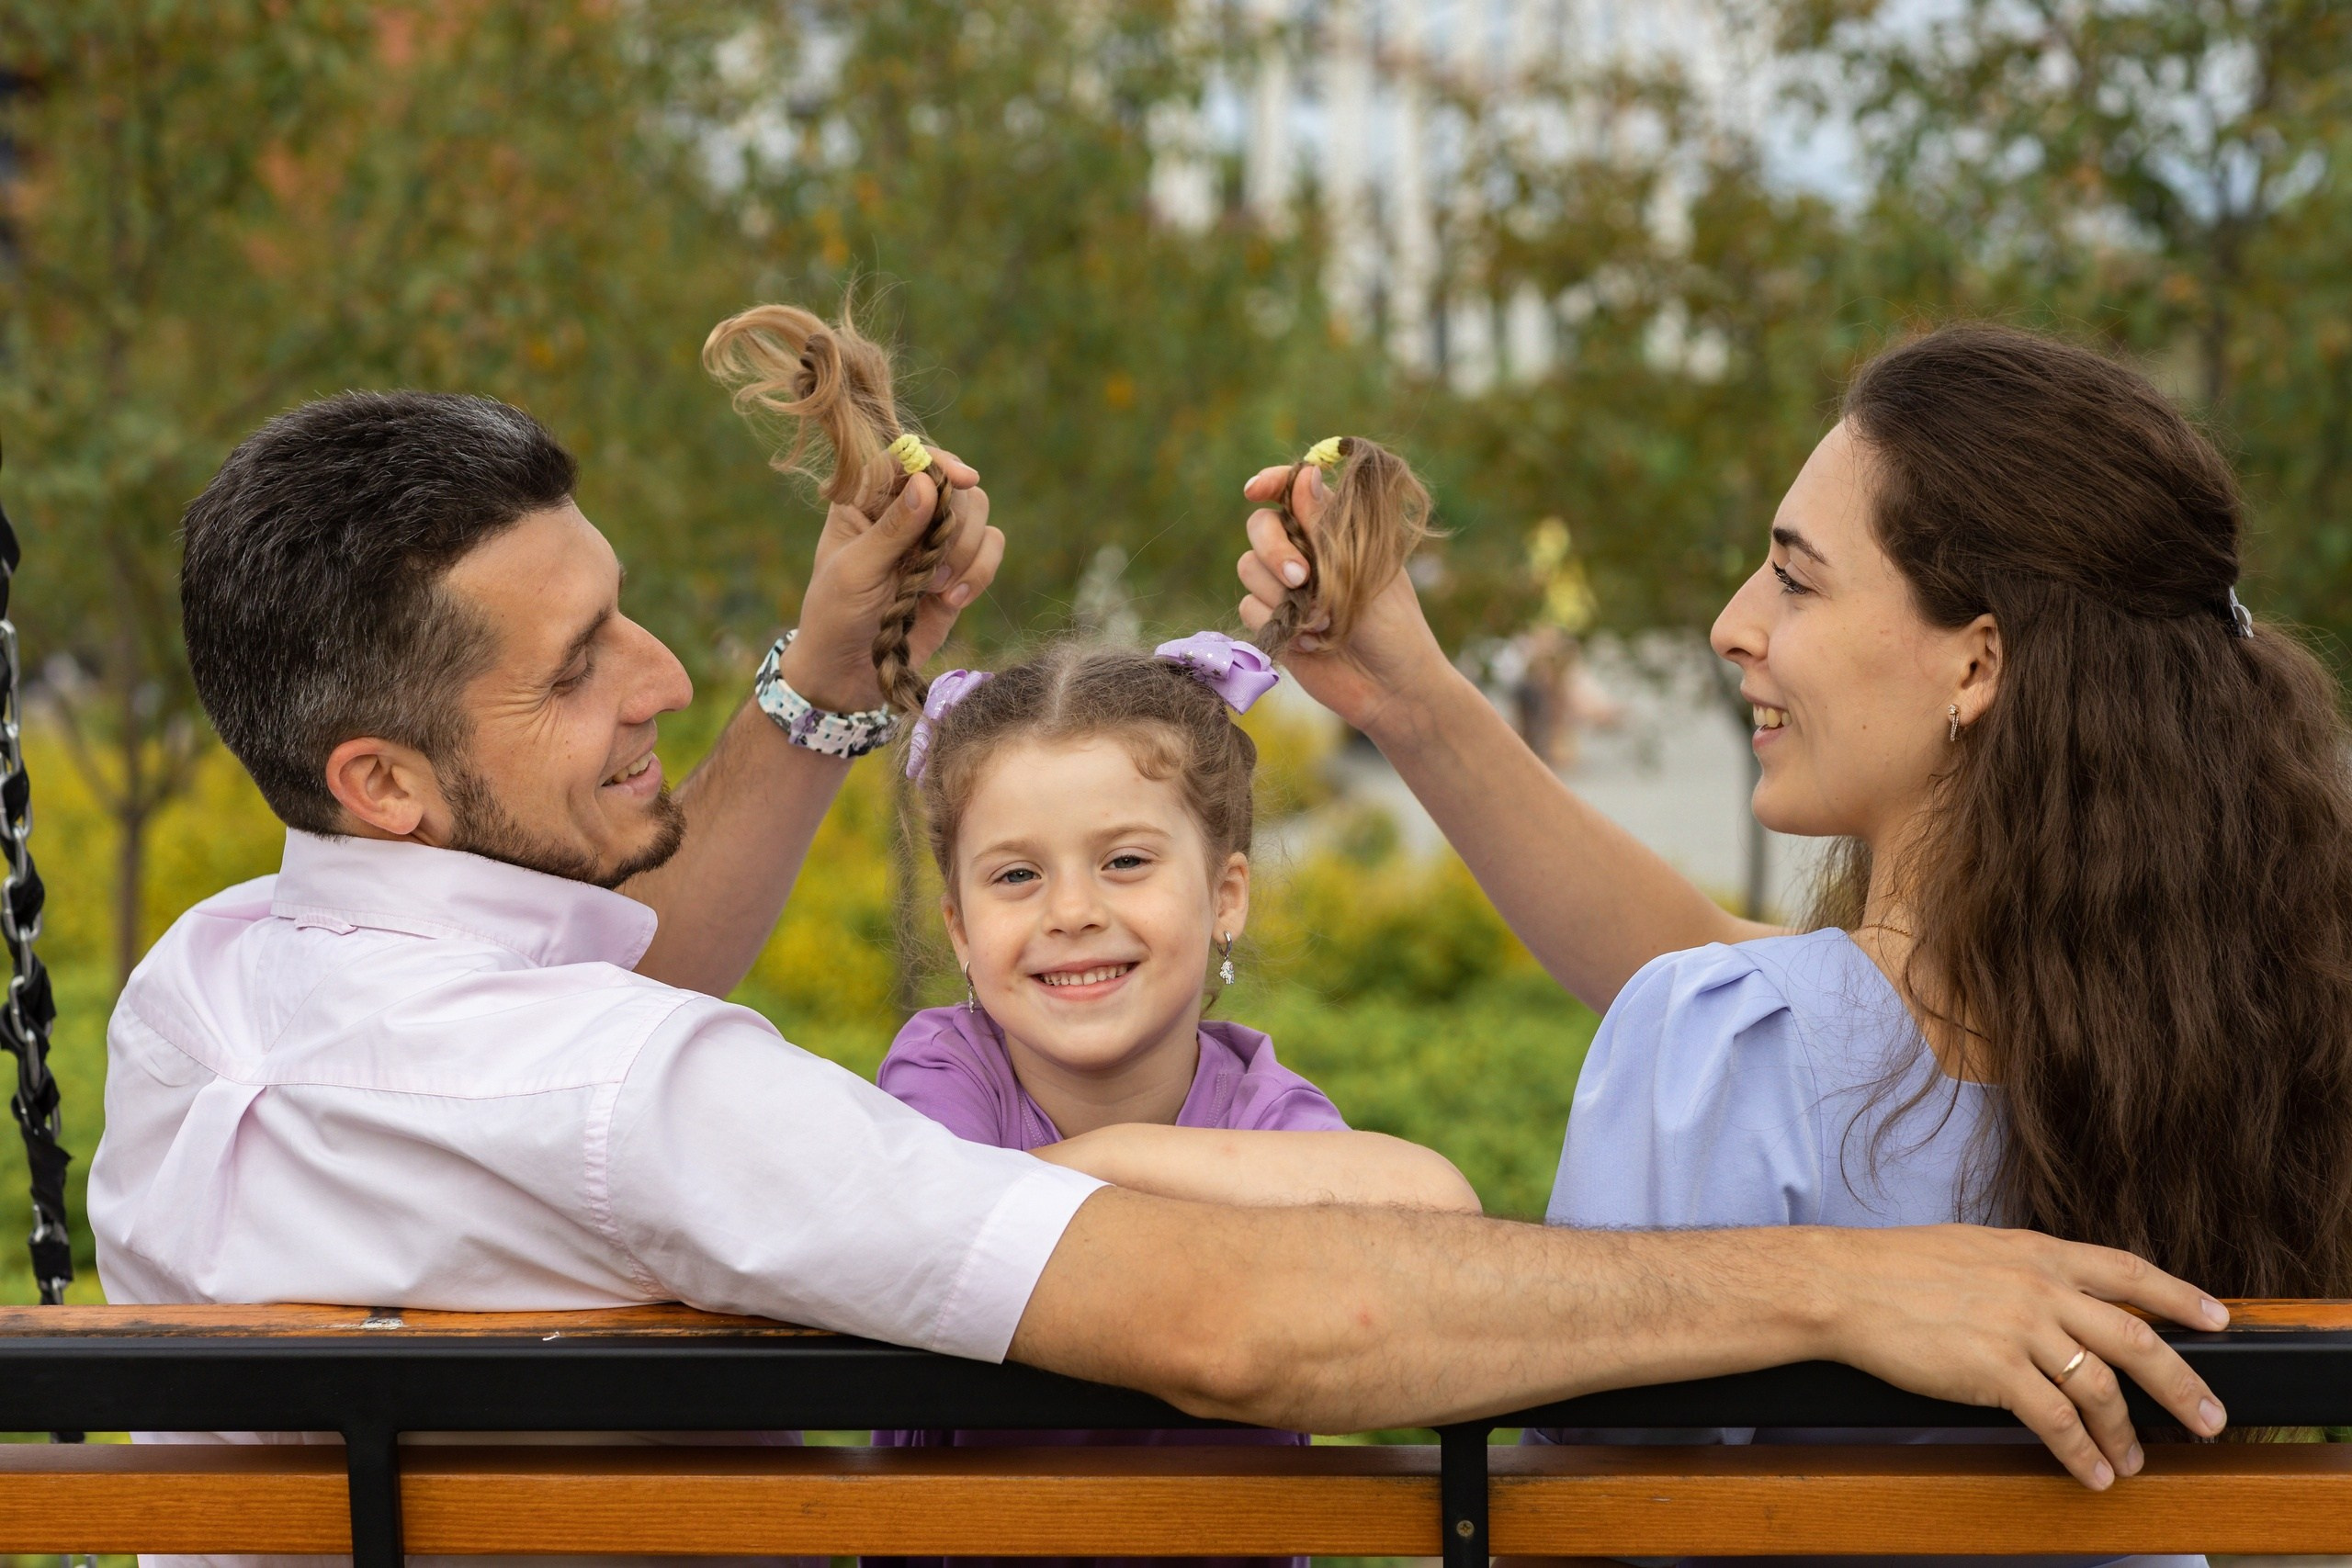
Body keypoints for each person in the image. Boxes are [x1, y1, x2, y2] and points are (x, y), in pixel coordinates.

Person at [92, 390, 2225, 1568]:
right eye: (586, 664)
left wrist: (827, 683)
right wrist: (1850, 1282)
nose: (664, 670)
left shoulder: (205, 996)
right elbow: (1239, 1317)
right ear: (385, 770)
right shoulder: (656, 1099)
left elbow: (574, 986)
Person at [1238, 324, 2328, 1514]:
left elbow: (1594, 1521)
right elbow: (1731, 972)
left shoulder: (1737, 1039)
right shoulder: (2228, 1030)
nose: (1732, 621)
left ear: (1977, 666)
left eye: (1796, 577)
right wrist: (1412, 696)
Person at [871, 635, 1477, 1568]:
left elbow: (1440, 1213)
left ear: (1225, 895)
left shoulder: (1259, 1104)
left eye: (1123, 862)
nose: (1070, 911)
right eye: (1015, 876)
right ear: (958, 925)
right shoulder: (946, 1067)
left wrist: (1099, 1163)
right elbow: (928, 1223)